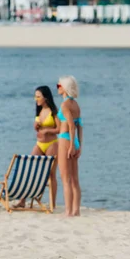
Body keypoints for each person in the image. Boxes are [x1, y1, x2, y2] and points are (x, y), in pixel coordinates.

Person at [13, 86, 60, 209]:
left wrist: (47, 131)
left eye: (38, 96)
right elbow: (38, 128)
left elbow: (59, 129)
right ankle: (22, 200)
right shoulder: (39, 110)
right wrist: (36, 126)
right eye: (35, 96)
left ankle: (52, 204)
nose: (36, 99)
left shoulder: (54, 111)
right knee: (29, 169)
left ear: (45, 97)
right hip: (39, 144)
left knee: (51, 174)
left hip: (52, 144)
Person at [57, 75, 83, 216]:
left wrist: (72, 145)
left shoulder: (65, 105)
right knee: (74, 179)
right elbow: (80, 126)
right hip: (74, 141)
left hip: (65, 140)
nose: (58, 88)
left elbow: (72, 126)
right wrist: (79, 145)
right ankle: (76, 210)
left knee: (65, 178)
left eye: (59, 86)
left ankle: (68, 211)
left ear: (65, 88)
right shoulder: (76, 105)